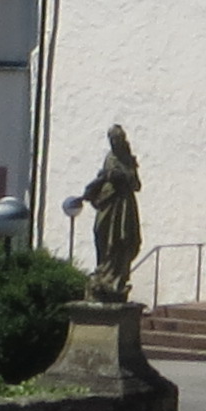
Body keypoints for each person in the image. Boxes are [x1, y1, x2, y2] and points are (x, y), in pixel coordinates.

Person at [76, 123, 143, 301]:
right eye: (111, 140)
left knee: (121, 238)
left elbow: (136, 184)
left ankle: (116, 276)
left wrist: (123, 176)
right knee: (100, 231)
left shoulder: (127, 159)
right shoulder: (109, 157)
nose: (113, 143)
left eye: (116, 139)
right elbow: (103, 176)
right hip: (107, 201)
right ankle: (103, 271)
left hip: (122, 205)